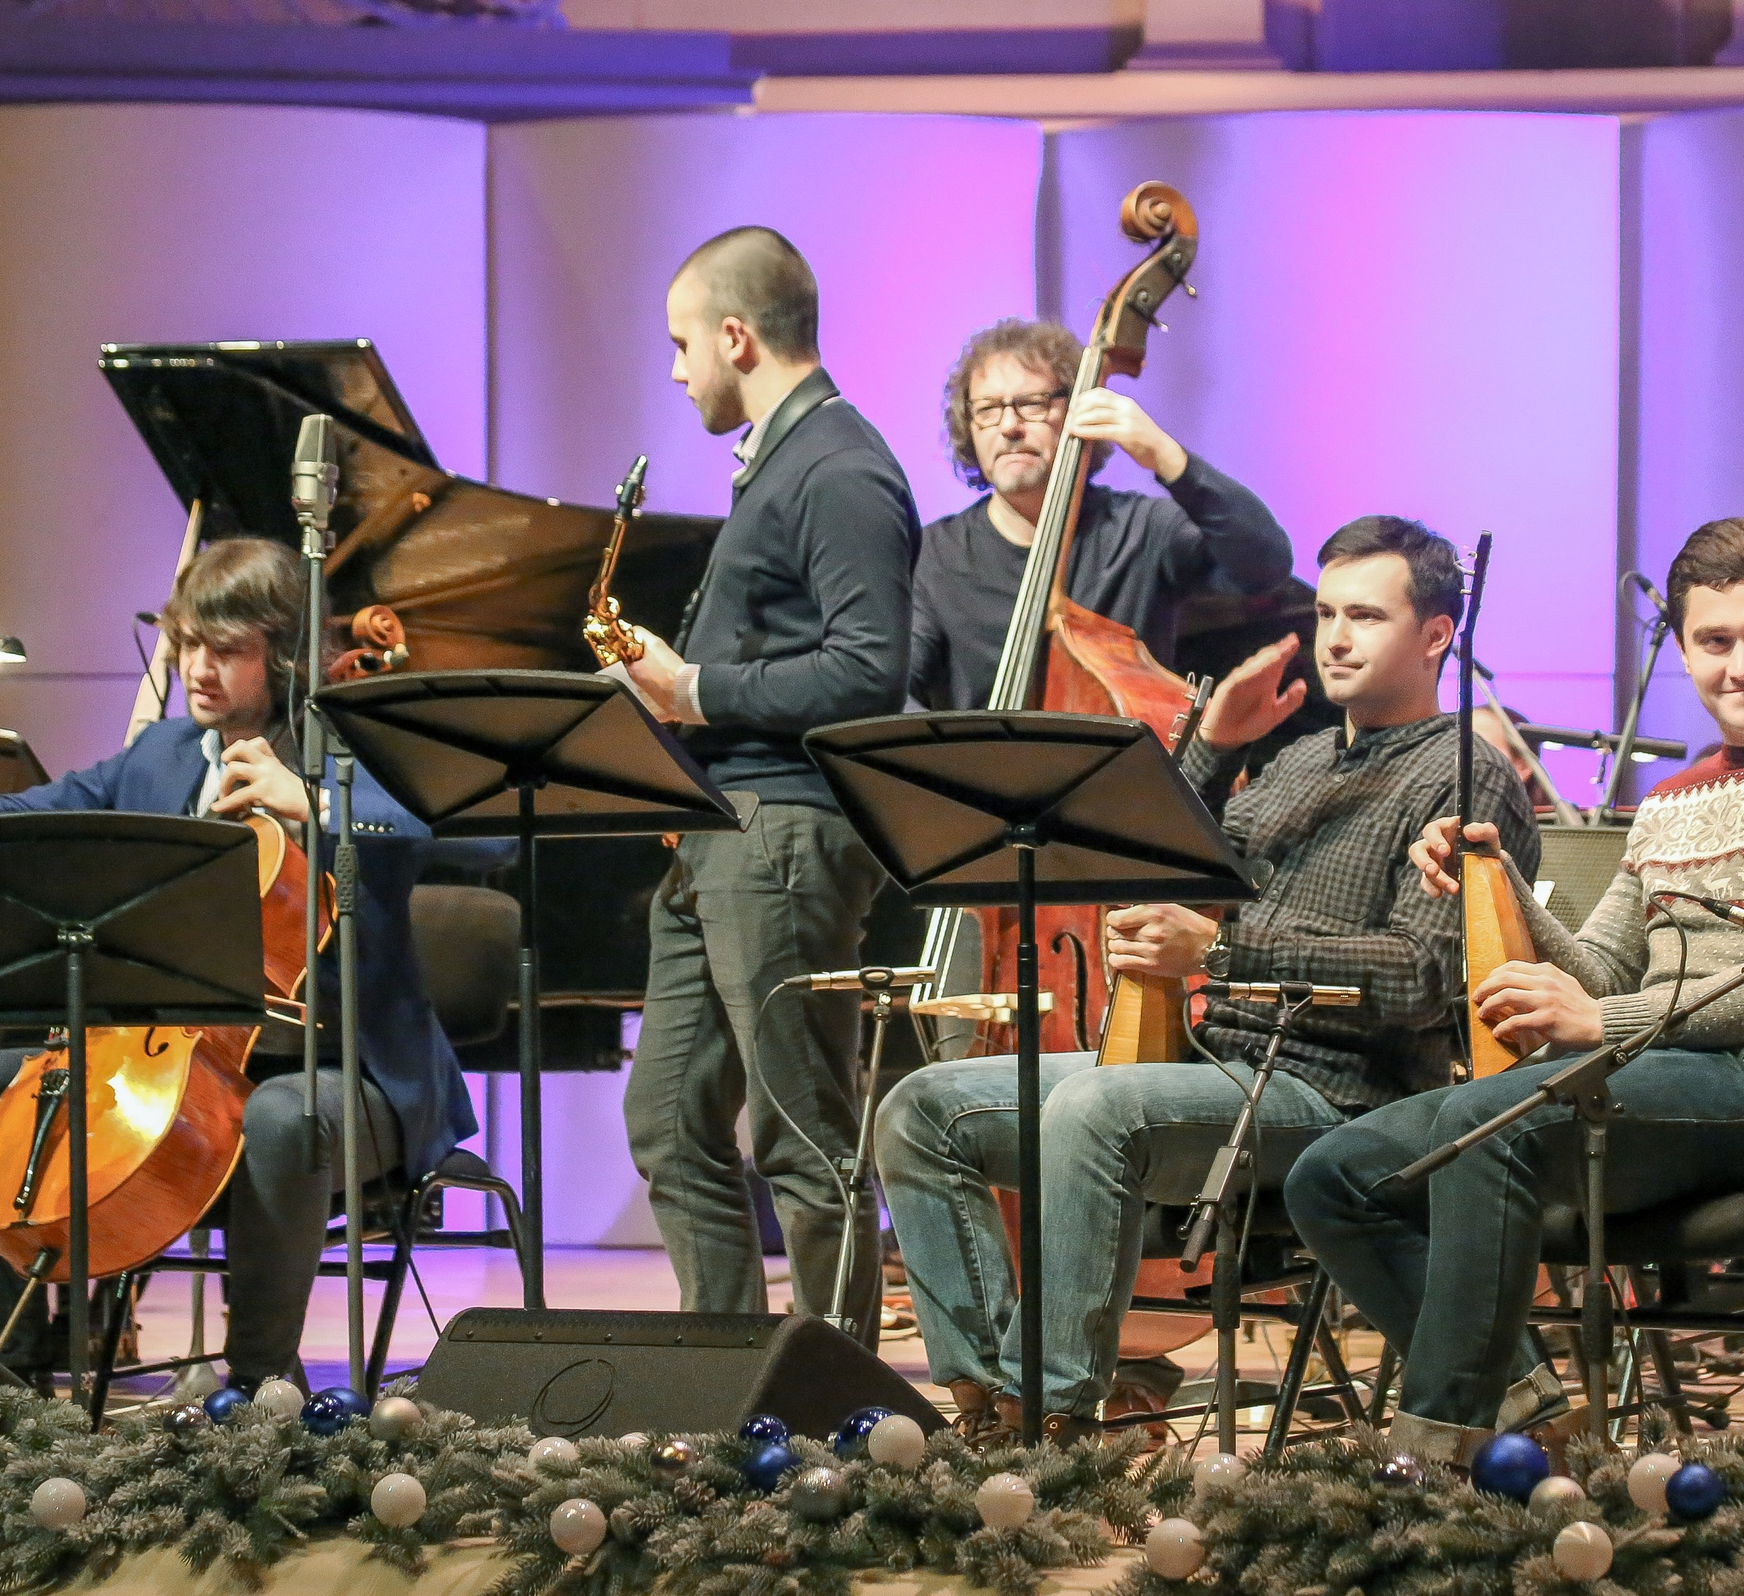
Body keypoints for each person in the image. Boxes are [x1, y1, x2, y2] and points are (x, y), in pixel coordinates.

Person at [1286, 518, 1744, 1468]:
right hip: (1646, 1078)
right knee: (1335, 1174)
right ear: (1682, 648)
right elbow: (1597, 969)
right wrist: (1500, 878)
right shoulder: (1675, 801)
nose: (1740, 665)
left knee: (1493, 1129)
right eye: (1714, 642)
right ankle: (1525, 1413)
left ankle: (1433, 1463)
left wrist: (1604, 1021)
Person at [875, 515, 1538, 1443]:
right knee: (920, 1108)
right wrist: (1213, 746)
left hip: (1340, 1096)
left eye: (1367, 617)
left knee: (1091, 1110)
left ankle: (1054, 1416)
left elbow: (1423, 976)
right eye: (1325, 612)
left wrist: (1222, 952)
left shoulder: (1468, 775)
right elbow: (1160, 863)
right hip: (1210, 1066)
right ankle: (991, 1400)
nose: (1336, 637)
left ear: (1436, 634)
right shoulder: (1297, 758)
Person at [0, 538, 475, 1389]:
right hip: (173, 1069)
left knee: (281, 1120)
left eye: (226, 651)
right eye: (188, 645)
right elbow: (40, 807)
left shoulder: (345, 751)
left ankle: (261, 1379)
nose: (197, 669)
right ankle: (13, 1374)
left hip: (341, 1073)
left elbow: (450, 828)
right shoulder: (163, 756)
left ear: (286, 656)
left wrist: (313, 802)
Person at [597, 226, 918, 1332]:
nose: (677, 368)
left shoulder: (839, 465)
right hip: (726, 829)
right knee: (669, 1117)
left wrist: (697, 690)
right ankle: (726, 1371)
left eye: (683, 343)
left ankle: (835, 1400)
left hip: (783, 830)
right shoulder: (792, 460)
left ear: (737, 335)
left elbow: (871, 670)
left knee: (800, 1127)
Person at [907, 317, 1293, 712]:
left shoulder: (1141, 531)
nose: (1009, 426)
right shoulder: (935, 556)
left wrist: (1165, 456)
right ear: (968, 427)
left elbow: (1265, 565)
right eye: (988, 409)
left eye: (1032, 405)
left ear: (1079, 410)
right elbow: (897, 687)